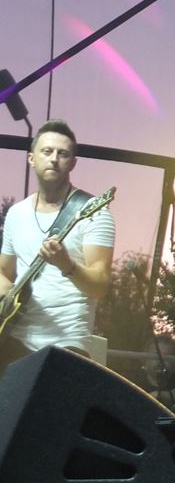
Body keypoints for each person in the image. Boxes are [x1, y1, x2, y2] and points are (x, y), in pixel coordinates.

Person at [0, 119, 116, 372]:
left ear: (73, 163)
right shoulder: (17, 213)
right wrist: (8, 298)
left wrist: (67, 265)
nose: (54, 159)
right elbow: (3, 271)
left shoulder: (94, 212)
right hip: (13, 336)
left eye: (63, 154)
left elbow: (99, 286)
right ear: (31, 158)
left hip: (66, 342)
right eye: (47, 151)